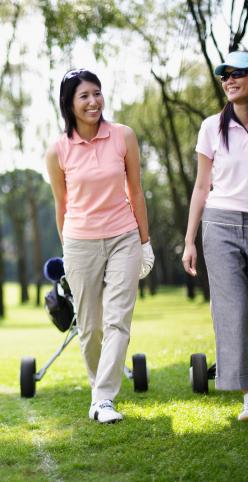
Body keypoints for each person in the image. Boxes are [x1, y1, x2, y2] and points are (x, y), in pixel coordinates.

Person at [182, 51, 248, 421]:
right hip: (219, 224)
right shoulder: (211, 127)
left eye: (238, 74)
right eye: (224, 75)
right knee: (232, 311)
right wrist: (188, 241)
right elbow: (200, 186)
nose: (229, 80)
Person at [46, 68, 154, 424]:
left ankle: (104, 399)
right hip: (80, 243)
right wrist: (69, 249)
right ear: (70, 104)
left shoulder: (123, 136)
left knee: (117, 320)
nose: (93, 101)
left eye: (97, 93)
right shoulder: (58, 150)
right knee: (90, 327)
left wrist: (145, 241)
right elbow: (61, 206)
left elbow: (135, 190)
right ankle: (99, 393)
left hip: (124, 237)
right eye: (84, 96)